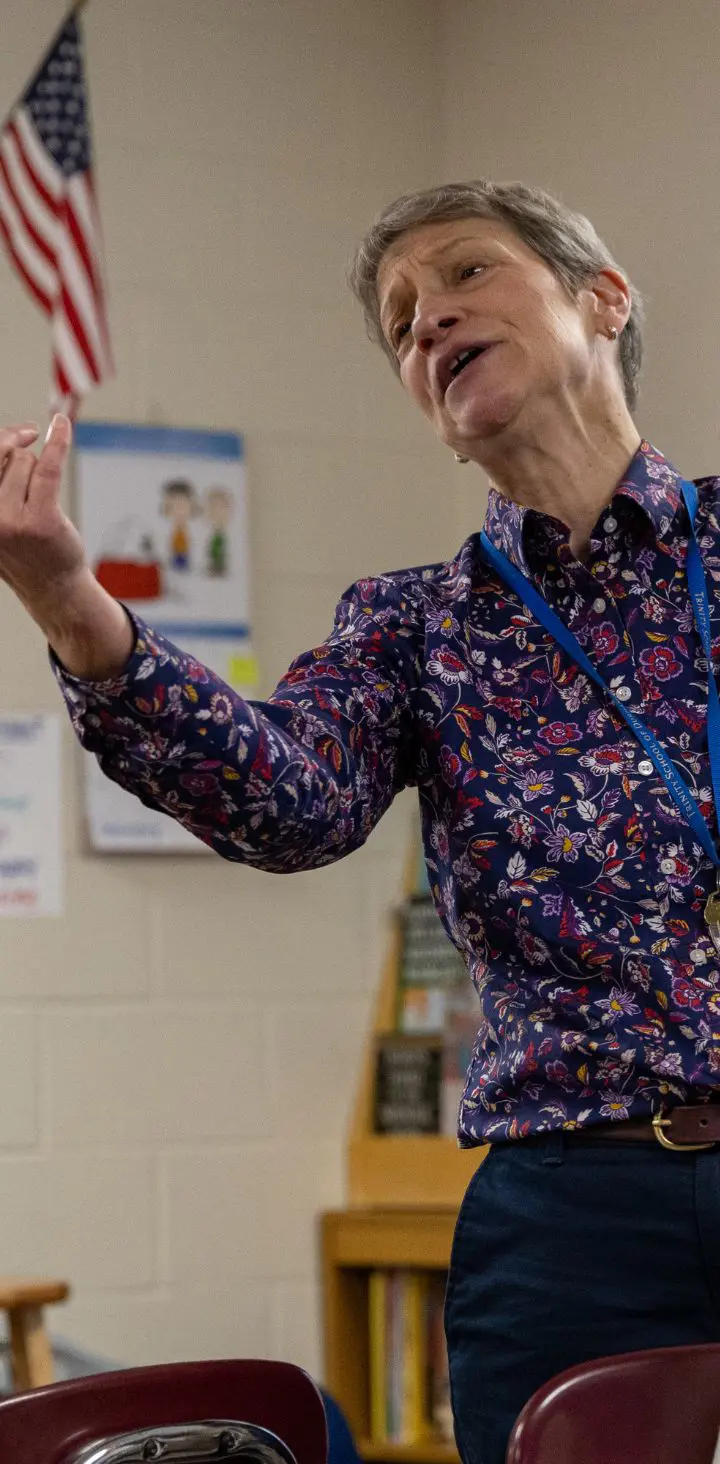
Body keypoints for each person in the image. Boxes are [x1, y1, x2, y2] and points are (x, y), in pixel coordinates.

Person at [2, 178, 720, 1464]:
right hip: (573, 1209)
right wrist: (68, 595)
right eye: (399, 322)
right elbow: (286, 800)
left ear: (603, 300)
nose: (427, 323)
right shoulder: (416, 625)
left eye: (463, 278)